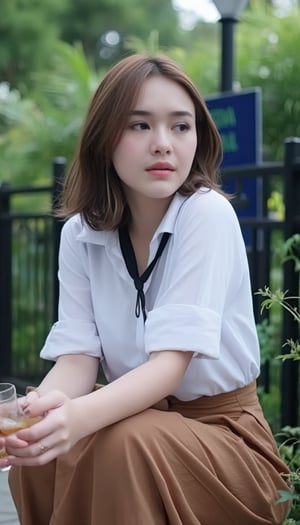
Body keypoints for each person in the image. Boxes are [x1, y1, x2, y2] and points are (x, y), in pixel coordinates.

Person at [1, 53, 290, 525]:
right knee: (43, 446)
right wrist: (34, 416)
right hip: (137, 423)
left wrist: (76, 420)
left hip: (226, 440)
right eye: (139, 126)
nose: (163, 144)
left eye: (181, 127)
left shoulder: (206, 214)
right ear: (104, 138)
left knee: (118, 441)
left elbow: (168, 369)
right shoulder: (80, 234)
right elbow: (77, 361)